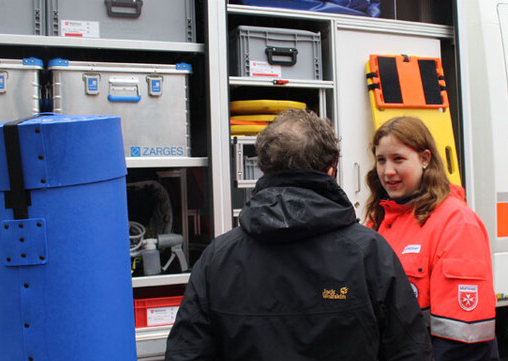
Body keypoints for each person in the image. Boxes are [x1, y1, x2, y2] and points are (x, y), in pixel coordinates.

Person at [165, 109, 432, 361]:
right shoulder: (370, 252)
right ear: (332, 168)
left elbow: (186, 353)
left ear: (264, 169)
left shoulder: (218, 258)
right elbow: (409, 352)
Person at [364, 116, 497, 361]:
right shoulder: (379, 218)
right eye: (381, 160)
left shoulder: (456, 223)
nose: (387, 171)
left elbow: (462, 339)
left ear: (425, 159)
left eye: (398, 159)